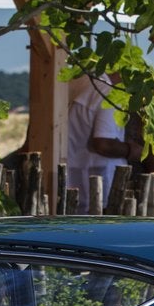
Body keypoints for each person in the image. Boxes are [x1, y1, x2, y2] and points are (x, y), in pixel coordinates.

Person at [66, 73, 129, 210]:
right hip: (98, 194)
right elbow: (103, 144)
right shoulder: (110, 94)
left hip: (74, 186)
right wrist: (131, 150)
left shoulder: (80, 82)